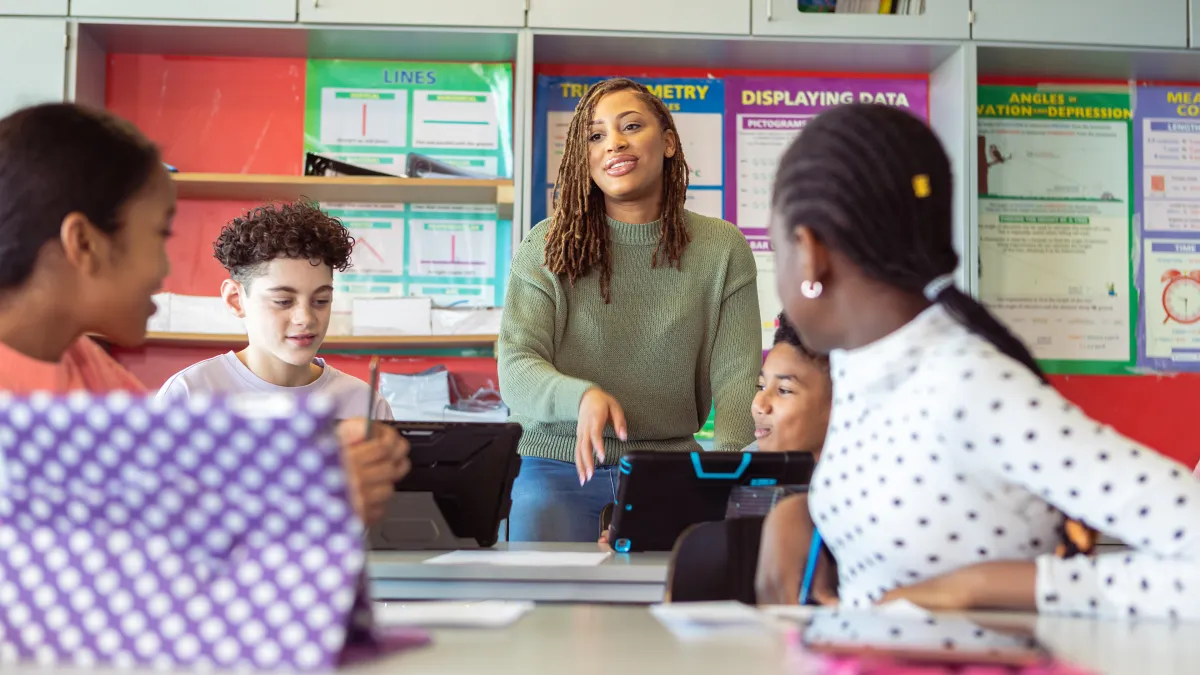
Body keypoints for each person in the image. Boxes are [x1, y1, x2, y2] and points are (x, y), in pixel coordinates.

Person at [756, 103, 1200, 619]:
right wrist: (800, 516)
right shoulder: (862, 365)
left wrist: (981, 586)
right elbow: (919, 496)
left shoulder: (966, 383)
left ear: (810, 253)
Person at [0, 103, 408, 526]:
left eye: (320, 299)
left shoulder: (86, 369)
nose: (164, 267)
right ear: (84, 243)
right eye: (159, 235)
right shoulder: (26, 403)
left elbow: (165, 523)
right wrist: (318, 496)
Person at [499, 77, 760, 542]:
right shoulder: (546, 244)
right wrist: (580, 397)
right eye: (595, 136)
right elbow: (516, 367)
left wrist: (734, 483)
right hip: (555, 464)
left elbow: (737, 378)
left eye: (631, 126)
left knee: (666, 609)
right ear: (585, 159)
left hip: (670, 472)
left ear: (669, 142)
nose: (613, 143)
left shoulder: (723, 247)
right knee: (547, 612)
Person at [156, 200, 392, 421]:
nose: (306, 319)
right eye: (283, 301)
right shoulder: (189, 394)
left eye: (321, 300)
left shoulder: (366, 406)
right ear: (236, 300)